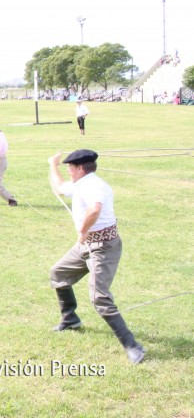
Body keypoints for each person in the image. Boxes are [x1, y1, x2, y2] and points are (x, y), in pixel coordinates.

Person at [47, 149, 145, 364]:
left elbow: (95, 208)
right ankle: (70, 319)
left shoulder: (94, 186)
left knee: (100, 297)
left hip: (104, 247)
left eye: (70, 169)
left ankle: (133, 346)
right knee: (58, 273)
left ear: (80, 168)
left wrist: (82, 230)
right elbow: (60, 188)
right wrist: (52, 165)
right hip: (86, 245)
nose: (69, 172)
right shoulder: (82, 183)